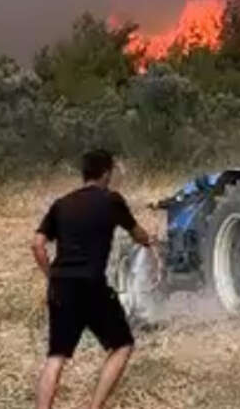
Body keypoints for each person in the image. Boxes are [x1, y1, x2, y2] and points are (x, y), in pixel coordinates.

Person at [31, 149, 155, 409]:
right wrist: (149, 240)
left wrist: (51, 277)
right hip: (91, 286)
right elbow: (137, 234)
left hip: (62, 287)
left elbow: (37, 245)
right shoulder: (111, 201)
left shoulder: (61, 204)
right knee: (122, 346)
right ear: (107, 173)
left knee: (56, 357)